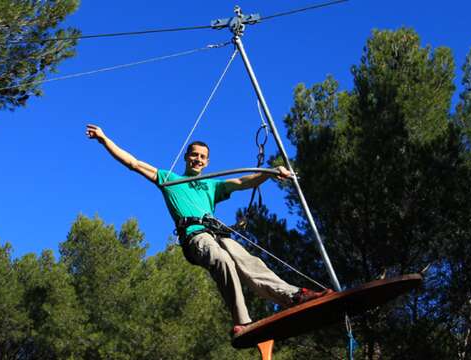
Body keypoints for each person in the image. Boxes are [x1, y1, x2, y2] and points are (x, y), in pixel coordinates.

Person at [86, 124, 332, 335]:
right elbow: (133, 163)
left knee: (247, 261)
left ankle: (294, 296)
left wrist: (270, 174)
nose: (198, 159)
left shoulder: (211, 185)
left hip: (218, 233)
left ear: (207, 162)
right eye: (194, 155)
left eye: (203, 157)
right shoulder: (170, 179)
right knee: (222, 260)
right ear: (186, 157)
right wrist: (104, 139)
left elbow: (242, 182)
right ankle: (242, 321)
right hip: (195, 237)